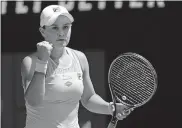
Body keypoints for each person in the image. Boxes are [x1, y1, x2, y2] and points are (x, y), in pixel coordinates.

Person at [21, 5, 132, 128]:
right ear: (43, 31)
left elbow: (88, 98)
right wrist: (42, 62)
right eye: (54, 28)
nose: (61, 33)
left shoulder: (80, 58)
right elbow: (33, 102)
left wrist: (110, 108)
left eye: (66, 27)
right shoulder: (30, 61)